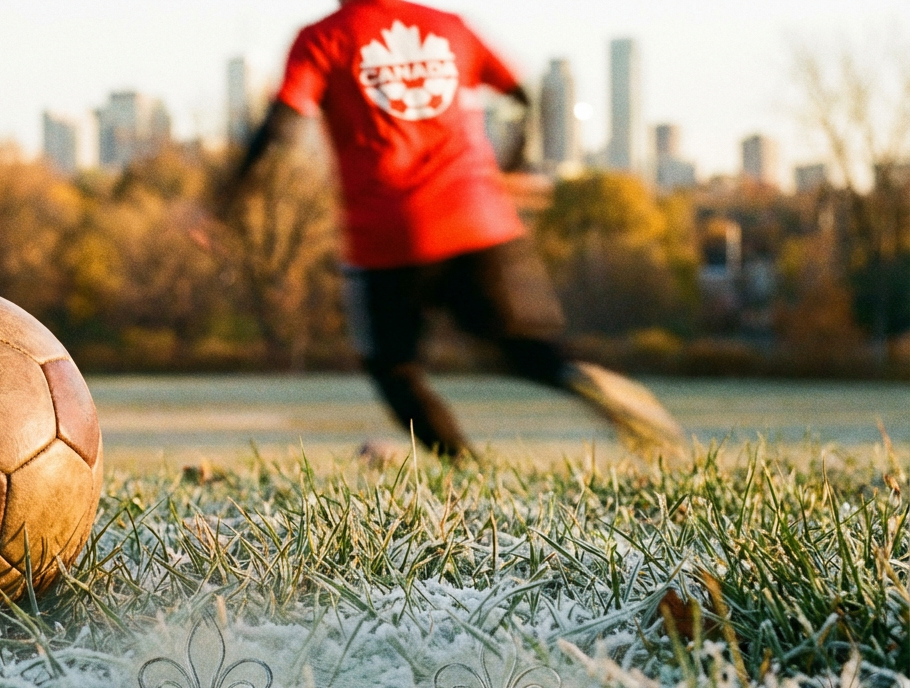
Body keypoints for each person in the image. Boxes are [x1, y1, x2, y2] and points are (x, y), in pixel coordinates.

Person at [213, 0, 683, 457]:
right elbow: (525, 96)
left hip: (391, 233)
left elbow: (281, 126)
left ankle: (462, 466)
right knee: (525, 349)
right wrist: (515, 161)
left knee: (392, 367)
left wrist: (224, 200)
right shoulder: (449, 26)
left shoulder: (324, 38)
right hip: (481, 218)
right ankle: (581, 378)